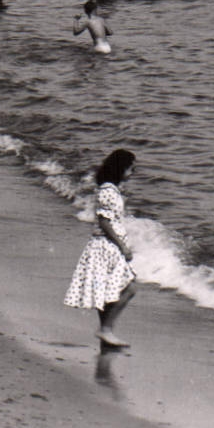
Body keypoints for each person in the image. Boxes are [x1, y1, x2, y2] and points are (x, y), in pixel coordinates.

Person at [63, 149, 139, 350]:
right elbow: (105, 222)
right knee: (129, 288)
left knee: (108, 290)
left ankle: (106, 332)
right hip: (106, 244)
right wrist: (122, 245)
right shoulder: (108, 192)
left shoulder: (108, 190)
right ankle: (105, 329)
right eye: (131, 168)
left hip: (103, 243)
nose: (133, 173)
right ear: (120, 169)